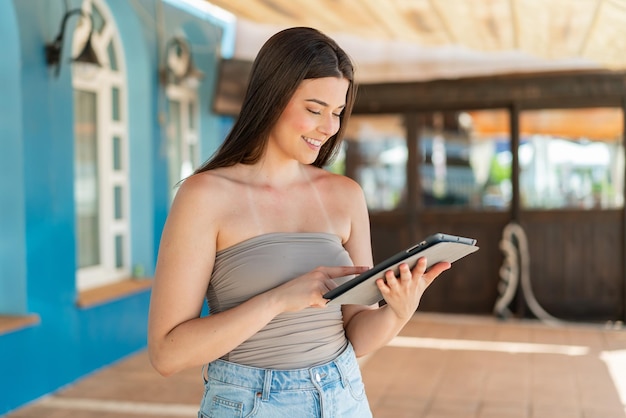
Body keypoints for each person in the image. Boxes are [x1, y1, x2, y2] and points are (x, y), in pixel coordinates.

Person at [148, 26, 451, 418]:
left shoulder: (346, 196)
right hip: (250, 403)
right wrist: (277, 300)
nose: (329, 128)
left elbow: (356, 332)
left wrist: (397, 311)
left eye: (338, 112)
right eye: (314, 109)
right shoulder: (204, 197)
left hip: (343, 397)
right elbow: (167, 354)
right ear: (272, 98)